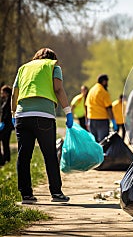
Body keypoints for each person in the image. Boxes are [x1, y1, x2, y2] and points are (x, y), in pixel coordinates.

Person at [11, 48, 72, 204]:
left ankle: (26, 195)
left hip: (22, 116)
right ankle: (56, 193)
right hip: (43, 116)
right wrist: (68, 112)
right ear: (53, 58)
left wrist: (13, 114)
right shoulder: (53, 67)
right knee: (50, 155)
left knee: (24, 156)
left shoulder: (23, 68)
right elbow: (58, 89)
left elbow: (14, 93)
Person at [85, 74, 118, 142]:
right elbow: (109, 108)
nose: (107, 85)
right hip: (101, 120)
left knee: (94, 142)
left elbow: (86, 105)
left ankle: (94, 153)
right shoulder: (103, 92)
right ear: (104, 82)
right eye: (107, 82)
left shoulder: (91, 90)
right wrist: (113, 121)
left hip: (91, 119)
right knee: (103, 142)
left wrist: (87, 119)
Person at [0, 85, 14, 165]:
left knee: (5, 142)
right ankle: (6, 158)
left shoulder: (10, 102)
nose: (1, 94)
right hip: (5, 125)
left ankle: (4, 159)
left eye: (2, 92)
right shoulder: (6, 101)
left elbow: (8, 114)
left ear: (6, 93)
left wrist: (3, 123)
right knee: (5, 142)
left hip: (6, 125)